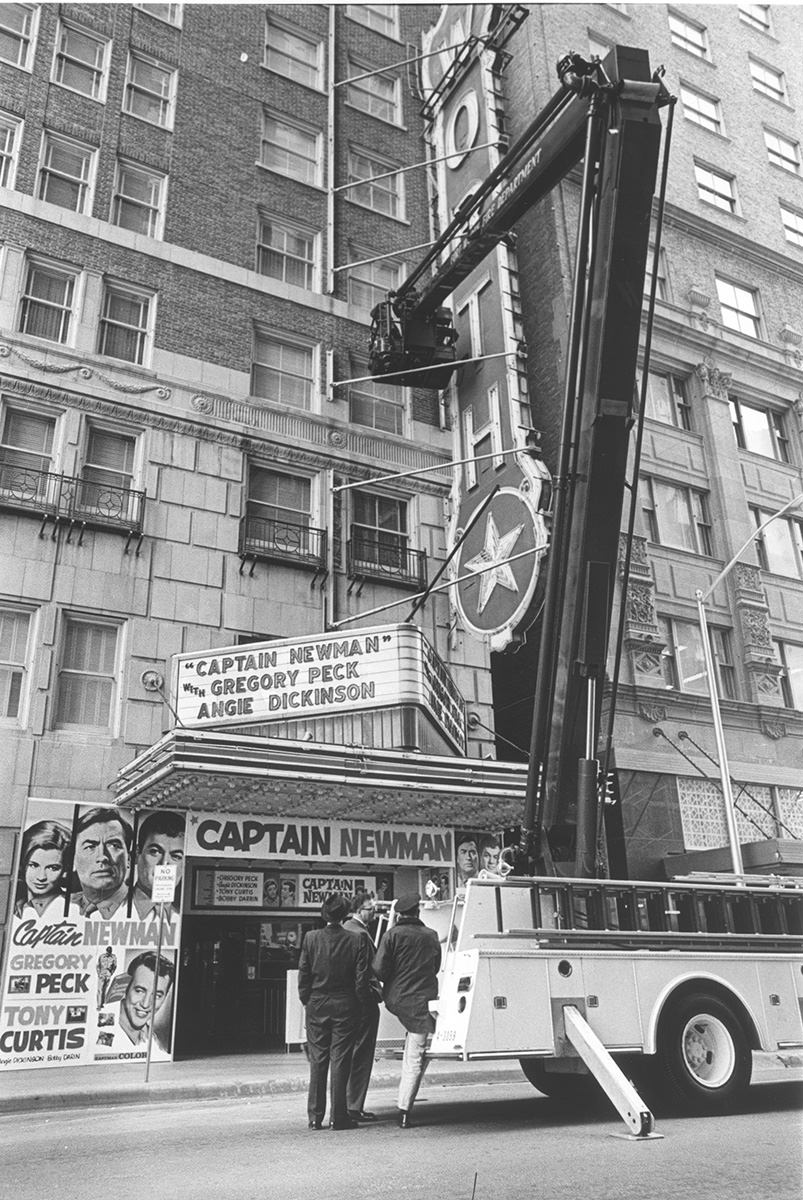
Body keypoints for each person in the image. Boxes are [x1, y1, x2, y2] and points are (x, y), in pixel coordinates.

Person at [297, 893, 372, 1131]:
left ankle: (314, 1117)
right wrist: (360, 1005)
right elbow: (361, 981)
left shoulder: (311, 938)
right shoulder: (356, 940)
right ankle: (338, 1117)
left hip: (317, 1005)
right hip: (346, 1005)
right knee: (341, 1060)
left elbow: (304, 975)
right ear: (345, 914)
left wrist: (307, 1000)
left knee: (318, 1060)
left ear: (324, 914)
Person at [373, 891, 441, 1129]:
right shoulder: (431, 936)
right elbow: (436, 967)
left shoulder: (392, 935)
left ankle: (404, 1105)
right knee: (415, 1057)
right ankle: (404, 1110)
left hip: (396, 1000)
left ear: (400, 915)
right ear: (418, 912)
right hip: (422, 1003)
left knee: (413, 1051)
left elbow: (379, 970)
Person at [343, 891, 382, 1123]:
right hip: (362, 1004)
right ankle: (354, 1105)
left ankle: (346, 1104)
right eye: (370, 909)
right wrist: (370, 996)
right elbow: (368, 971)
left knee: (346, 1055)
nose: (374, 912)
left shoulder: (346, 930)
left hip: (345, 1004)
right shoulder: (360, 933)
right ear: (357, 911)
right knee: (361, 1056)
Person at [70, 807, 132, 919]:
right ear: (73, 858)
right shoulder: (60, 905)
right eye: (90, 847)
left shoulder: (141, 908)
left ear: (129, 859)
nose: (102, 856)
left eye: (114, 845)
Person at [110, 951, 175, 1057]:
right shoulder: (104, 1028)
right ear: (126, 988)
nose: (145, 1004)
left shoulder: (153, 1040)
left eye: (157, 996)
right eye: (140, 991)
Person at [13, 819, 76, 922]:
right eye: (33, 865)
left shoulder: (74, 909)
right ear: (22, 865)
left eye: (52, 868)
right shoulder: (14, 906)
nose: (41, 877)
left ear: (65, 871)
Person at [130, 811, 185, 920]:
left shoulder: (179, 916)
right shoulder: (107, 912)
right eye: (155, 851)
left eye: (176, 856)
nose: (164, 863)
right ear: (137, 854)